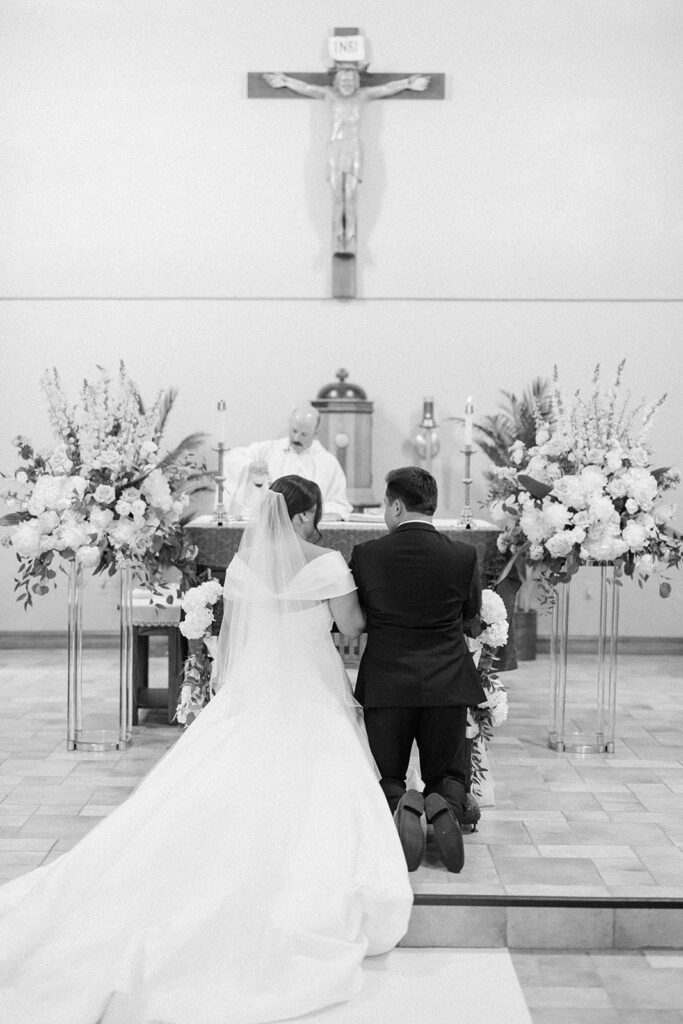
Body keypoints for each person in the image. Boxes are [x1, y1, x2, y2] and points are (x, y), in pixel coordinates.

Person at [0, 476, 412, 1024]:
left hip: (254, 684)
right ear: (305, 516)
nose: (314, 525)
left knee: (212, 773)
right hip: (310, 683)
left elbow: (239, 630)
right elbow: (351, 625)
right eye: (312, 516)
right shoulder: (327, 563)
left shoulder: (242, 567)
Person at [349, 467, 484, 874]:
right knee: (447, 771)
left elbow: (362, 615)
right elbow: (471, 613)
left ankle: (399, 803)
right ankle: (442, 802)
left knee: (388, 770)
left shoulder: (367, 555)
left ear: (395, 505)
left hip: (387, 682)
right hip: (447, 681)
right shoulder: (463, 555)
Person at [262, 66, 430, 253]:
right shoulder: (329, 94)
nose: (347, 84)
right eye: (343, 80)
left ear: (357, 82)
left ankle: (351, 237)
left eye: (351, 81)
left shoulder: (363, 96)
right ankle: (337, 238)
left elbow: (385, 88)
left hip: (353, 148)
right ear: (336, 82)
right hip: (335, 148)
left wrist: (408, 83)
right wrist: (285, 80)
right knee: (336, 197)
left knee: (351, 195)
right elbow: (307, 88)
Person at [225, 403, 352, 520]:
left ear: (316, 433)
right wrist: (251, 466)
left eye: (304, 434)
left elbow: (340, 504)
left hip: (307, 529)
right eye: (294, 431)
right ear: (290, 424)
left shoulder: (328, 463)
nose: (296, 438)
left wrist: (308, 510)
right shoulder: (269, 450)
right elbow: (232, 457)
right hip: (271, 526)